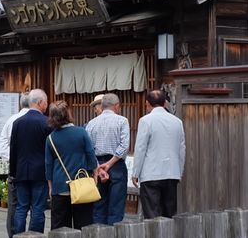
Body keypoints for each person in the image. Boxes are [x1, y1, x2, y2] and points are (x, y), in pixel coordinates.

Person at [131, 89, 185, 218]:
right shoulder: (177, 122)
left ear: (148, 103)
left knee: (152, 214)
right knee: (169, 214)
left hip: (151, 173)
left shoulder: (146, 121)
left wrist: (135, 173)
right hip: (172, 173)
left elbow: (140, 148)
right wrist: (180, 171)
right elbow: (182, 149)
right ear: (165, 103)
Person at [45, 100, 98, 229]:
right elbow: (91, 156)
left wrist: (50, 186)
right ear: (68, 113)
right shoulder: (81, 132)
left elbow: (48, 165)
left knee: (60, 226)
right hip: (81, 185)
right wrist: (94, 174)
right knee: (84, 224)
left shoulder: (51, 138)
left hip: (60, 186)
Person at [9, 88, 50, 235]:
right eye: (45, 102)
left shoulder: (18, 122)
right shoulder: (46, 123)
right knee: (38, 207)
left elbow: (13, 149)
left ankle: (18, 237)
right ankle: (34, 237)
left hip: (21, 170)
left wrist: (12, 171)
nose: (46, 105)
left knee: (21, 207)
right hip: (40, 171)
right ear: (40, 103)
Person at [86, 93, 130, 225]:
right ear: (116, 106)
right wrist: (109, 164)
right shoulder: (122, 121)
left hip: (97, 165)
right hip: (116, 164)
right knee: (116, 206)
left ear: (102, 106)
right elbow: (124, 146)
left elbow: (88, 149)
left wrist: (98, 167)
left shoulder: (91, 124)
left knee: (98, 206)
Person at [0, 92, 31, 238]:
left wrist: (12, 159)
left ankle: (13, 235)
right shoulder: (38, 120)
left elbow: (3, 143)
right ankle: (32, 235)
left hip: (15, 166)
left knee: (15, 203)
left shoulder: (11, 120)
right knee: (34, 204)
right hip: (34, 167)